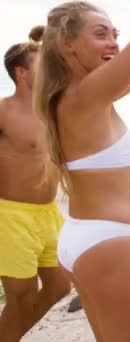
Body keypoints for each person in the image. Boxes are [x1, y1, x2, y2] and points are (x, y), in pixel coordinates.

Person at [33, 1, 130, 340]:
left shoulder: (77, 97)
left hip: (82, 236)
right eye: (100, 34)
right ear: (67, 44)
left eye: (115, 34)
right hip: (109, 243)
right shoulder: (84, 95)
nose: (114, 42)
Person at [0, 26, 71, 342]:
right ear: (21, 72)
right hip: (10, 216)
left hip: (49, 214)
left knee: (59, 287)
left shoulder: (53, 109)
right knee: (21, 295)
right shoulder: (3, 110)